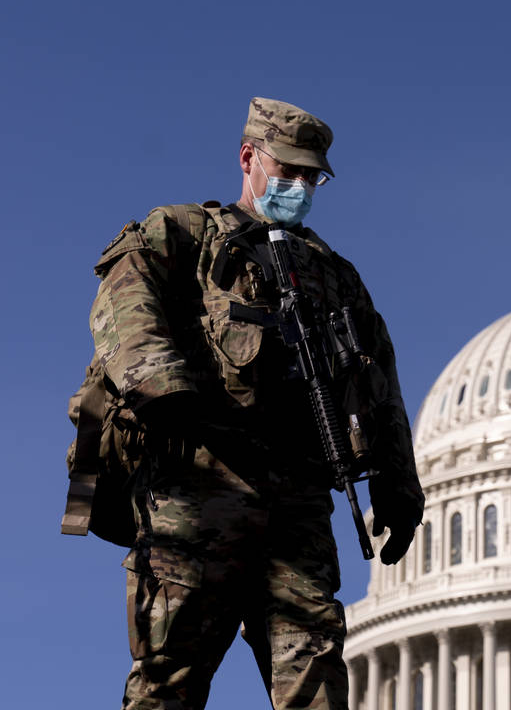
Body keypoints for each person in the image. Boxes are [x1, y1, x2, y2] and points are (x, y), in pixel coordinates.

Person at [79, 97, 424, 709]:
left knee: (317, 684)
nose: (297, 185)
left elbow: (378, 378)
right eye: (286, 171)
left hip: (299, 504)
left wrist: (399, 482)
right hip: (201, 486)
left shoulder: (335, 277)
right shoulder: (183, 234)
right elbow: (124, 306)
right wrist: (168, 393)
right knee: (169, 680)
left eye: (309, 177)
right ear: (248, 158)